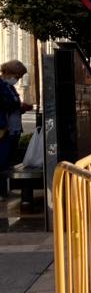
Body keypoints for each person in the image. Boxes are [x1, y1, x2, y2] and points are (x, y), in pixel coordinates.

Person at [0, 60, 31, 197]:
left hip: (14, 129)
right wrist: (19, 106)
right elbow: (6, 104)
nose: (17, 80)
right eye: (17, 76)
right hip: (5, 130)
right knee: (2, 161)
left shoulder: (10, 87)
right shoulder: (1, 86)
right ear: (9, 73)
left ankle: (4, 190)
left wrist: (21, 107)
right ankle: (1, 192)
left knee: (8, 161)